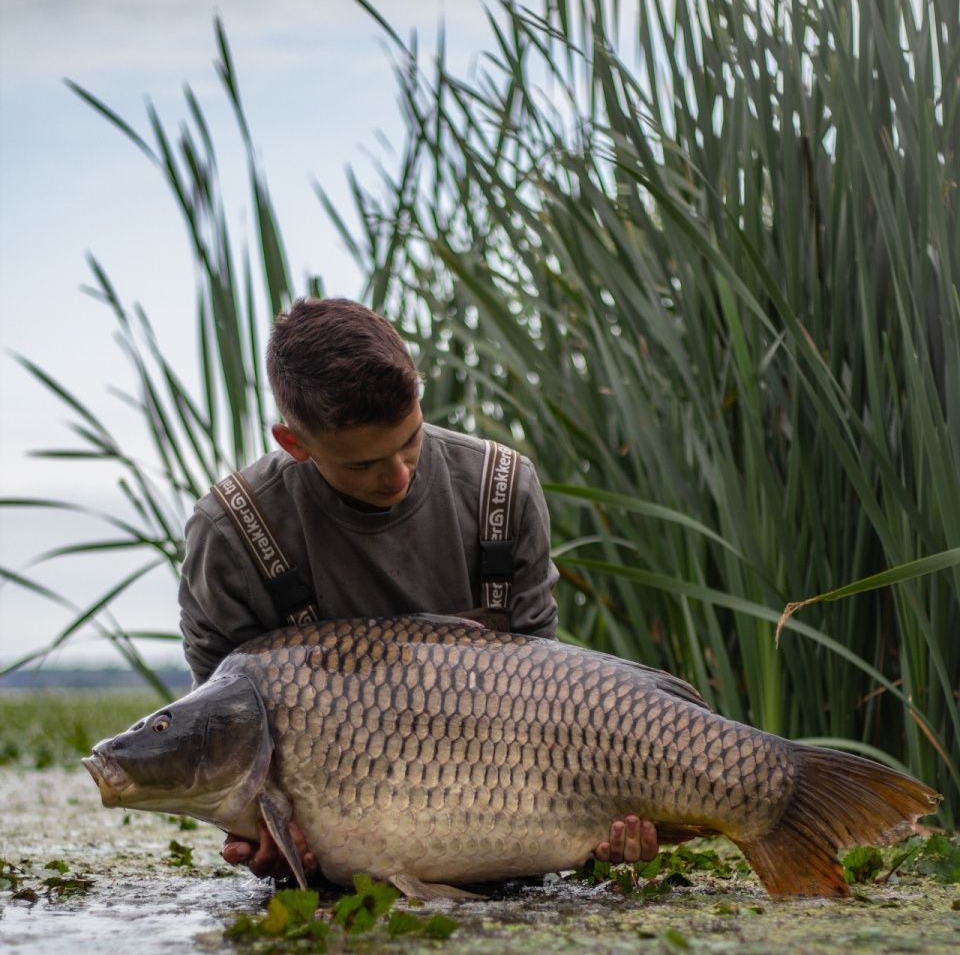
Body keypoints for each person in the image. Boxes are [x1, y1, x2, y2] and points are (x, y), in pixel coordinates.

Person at [178, 297, 661, 880]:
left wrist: (609, 816)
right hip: (333, 874)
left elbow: (547, 689)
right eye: (364, 466)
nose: (400, 476)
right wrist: (256, 832)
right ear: (293, 442)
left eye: (411, 440)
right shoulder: (232, 533)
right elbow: (222, 742)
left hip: (506, 840)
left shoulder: (502, 490)